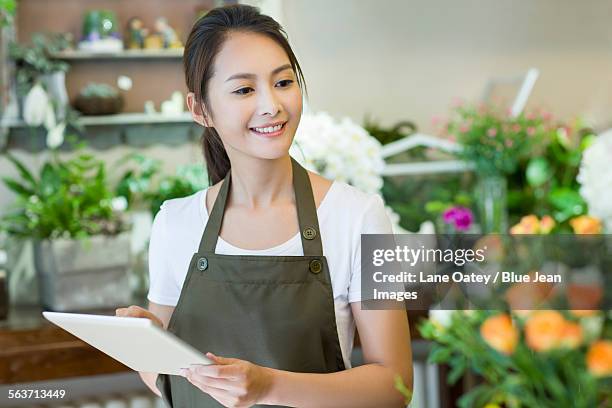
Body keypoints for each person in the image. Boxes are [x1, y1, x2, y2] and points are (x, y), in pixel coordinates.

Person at [116, 4, 412, 407]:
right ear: (200, 110)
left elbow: (394, 386)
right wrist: (148, 348)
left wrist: (268, 386)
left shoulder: (361, 217)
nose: (272, 105)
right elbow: (164, 381)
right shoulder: (174, 223)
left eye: (283, 82)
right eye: (244, 89)